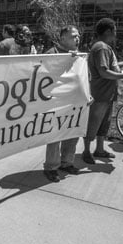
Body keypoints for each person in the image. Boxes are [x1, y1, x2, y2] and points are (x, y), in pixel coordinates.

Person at [82, 18, 123, 165]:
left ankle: (100, 149)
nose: (116, 34)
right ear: (109, 31)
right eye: (115, 30)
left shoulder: (104, 47)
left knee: (104, 123)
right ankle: (86, 151)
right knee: (93, 124)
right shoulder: (101, 47)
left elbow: (111, 67)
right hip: (100, 94)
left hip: (107, 94)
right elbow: (104, 72)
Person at [42, 25, 82, 182]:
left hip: (74, 101)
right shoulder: (51, 54)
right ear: (63, 38)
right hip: (56, 102)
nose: (77, 39)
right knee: (55, 135)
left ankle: (66, 163)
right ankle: (51, 167)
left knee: (72, 132)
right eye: (73, 36)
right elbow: (43, 78)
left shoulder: (79, 55)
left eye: (78, 36)